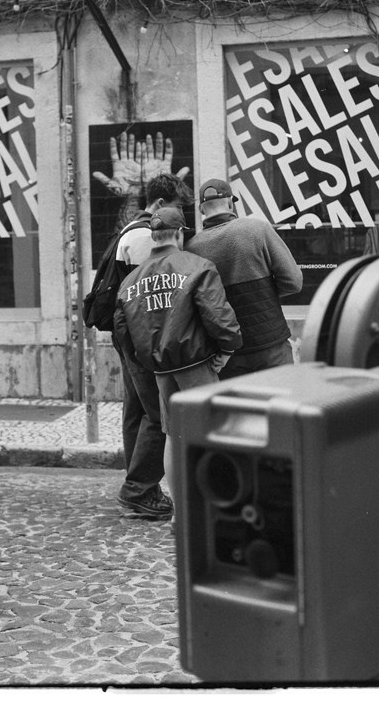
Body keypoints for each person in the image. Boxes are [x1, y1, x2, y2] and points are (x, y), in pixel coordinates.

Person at [114, 205, 242, 517]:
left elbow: (123, 331)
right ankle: (213, 509)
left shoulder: (130, 281)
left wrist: (147, 361)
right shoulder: (198, 266)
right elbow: (219, 316)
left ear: (153, 237)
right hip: (196, 366)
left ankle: (182, 514)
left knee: (172, 437)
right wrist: (227, 349)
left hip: (161, 370)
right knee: (211, 434)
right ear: (181, 234)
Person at [113, 173, 195, 520]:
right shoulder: (145, 237)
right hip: (142, 334)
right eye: (177, 209)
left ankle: (142, 488)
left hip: (128, 334)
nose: (181, 218)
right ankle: (139, 488)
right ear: (160, 204)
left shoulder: (129, 230)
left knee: (136, 410)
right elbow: (153, 295)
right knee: (158, 413)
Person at [186, 178, 303, 379]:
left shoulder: (191, 249)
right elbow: (294, 281)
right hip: (271, 344)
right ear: (230, 203)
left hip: (227, 354)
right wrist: (266, 293)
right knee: (282, 398)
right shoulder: (258, 229)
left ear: (201, 210)